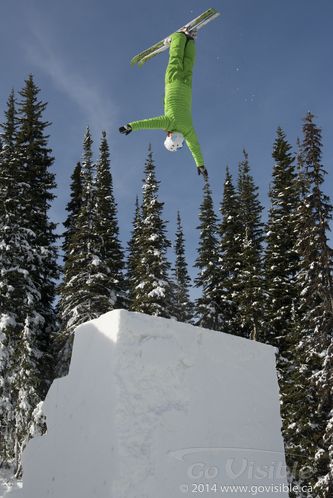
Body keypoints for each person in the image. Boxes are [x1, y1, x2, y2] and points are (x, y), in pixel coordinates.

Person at [119, 29, 208, 179]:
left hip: (187, 87)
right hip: (173, 84)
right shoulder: (168, 123)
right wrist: (131, 126)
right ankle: (179, 37)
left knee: (188, 65)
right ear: (170, 135)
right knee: (175, 60)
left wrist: (200, 164)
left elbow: (194, 147)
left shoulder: (188, 131)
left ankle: (190, 41)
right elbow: (148, 123)